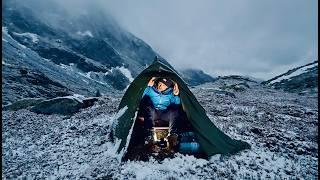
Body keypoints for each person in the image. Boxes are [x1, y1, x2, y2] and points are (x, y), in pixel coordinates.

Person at [140, 77, 181, 151]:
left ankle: (173, 136)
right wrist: (148, 86)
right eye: (159, 84)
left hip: (164, 114)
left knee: (174, 112)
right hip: (153, 113)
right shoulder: (151, 90)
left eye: (162, 85)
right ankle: (149, 136)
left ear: (167, 87)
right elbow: (141, 96)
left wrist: (176, 95)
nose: (159, 86)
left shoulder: (171, 94)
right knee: (149, 107)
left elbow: (176, 105)